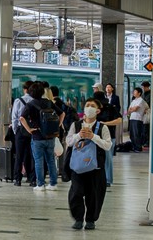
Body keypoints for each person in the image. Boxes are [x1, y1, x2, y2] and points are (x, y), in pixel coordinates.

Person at [65, 98, 112, 230]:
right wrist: (79, 135)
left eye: (92, 106)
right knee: (76, 192)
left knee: (94, 194)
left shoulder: (103, 127)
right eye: (87, 105)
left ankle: (91, 219)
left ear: (98, 111)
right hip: (78, 166)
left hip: (96, 168)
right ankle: (78, 219)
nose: (89, 108)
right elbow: (69, 142)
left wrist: (93, 137)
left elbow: (108, 145)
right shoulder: (76, 125)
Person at [22, 92, 61, 191]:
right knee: (51, 160)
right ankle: (53, 184)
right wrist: (57, 126)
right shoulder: (49, 103)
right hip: (50, 136)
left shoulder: (30, 104)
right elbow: (62, 113)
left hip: (37, 136)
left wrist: (29, 129)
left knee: (38, 161)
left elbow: (22, 118)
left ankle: (40, 184)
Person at [10, 82, 36, 186]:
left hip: (21, 130)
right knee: (32, 155)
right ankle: (32, 178)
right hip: (33, 130)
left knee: (19, 155)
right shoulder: (35, 101)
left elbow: (14, 117)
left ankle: (18, 179)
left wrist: (16, 130)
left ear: (25, 89)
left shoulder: (18, 101)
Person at [94, 90, 122, 188]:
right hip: (95, 136)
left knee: (108, 158)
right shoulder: (93, 109)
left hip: (109, 136)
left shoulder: (110, 108)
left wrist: (105, 124)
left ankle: (108, 180)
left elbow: (119, 120)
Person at [127, 87, 148, 152]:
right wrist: (132, 109)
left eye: (135, 91)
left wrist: (132, 109)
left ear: (139, 93)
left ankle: (138, 148)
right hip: (132, 118)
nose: (133, 93)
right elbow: (129, 110)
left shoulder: (141, 100)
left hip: (138, 119)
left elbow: (135, 109)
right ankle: (134, 147)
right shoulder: (133, 101)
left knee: (137, 134)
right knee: (132, 134)